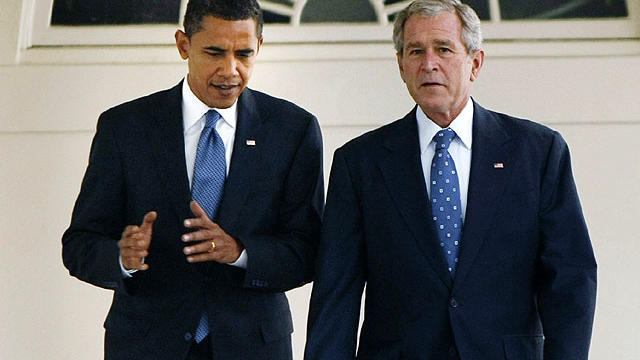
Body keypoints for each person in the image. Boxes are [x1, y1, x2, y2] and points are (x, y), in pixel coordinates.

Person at [304, 0, 596, 359]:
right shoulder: (360, 163)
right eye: (415, 51)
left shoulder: (537, 153)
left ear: (475, 63)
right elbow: (337, 294)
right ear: (401, 66)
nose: (429, 64)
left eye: (443, 49)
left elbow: (570, 278)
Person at [62, 1, 324, 359]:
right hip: (146, 345)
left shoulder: (293, 130)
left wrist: (240, 252)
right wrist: (121, 256)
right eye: (215, 52)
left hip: (252, 347)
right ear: (183, 44)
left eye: (244, 54)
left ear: (259, 46)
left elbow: (309, 251)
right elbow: (79, 245)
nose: (230, 70)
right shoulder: (125, 127)